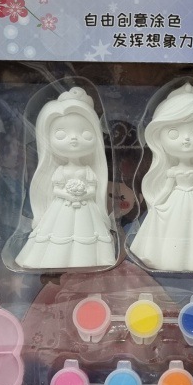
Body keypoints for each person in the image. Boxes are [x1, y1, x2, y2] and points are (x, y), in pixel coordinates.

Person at [130, 82, 193, 271]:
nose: (187, 139)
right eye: (174, 133)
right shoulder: (172, 172)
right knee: (173, 231)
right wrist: (156, 204)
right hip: (175, 201)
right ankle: (168, 260)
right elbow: (166, 189)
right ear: (158, 135)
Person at [16, 88, 115, 269]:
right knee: (58, 232)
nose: (74, 139)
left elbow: (92, 189)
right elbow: (56, 189)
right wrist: (69, 195)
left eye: (85, 134)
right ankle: (53, 260)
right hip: (63, 205)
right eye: (61, 135)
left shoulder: (88, 170)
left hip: (85, 206)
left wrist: (83, 194)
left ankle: (88, 259)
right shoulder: (60, 170)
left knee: (86, 232)